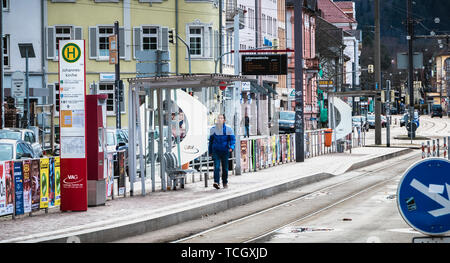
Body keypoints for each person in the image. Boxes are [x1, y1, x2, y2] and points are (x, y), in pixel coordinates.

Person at [208, 114, 235, 189]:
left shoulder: (228, 129)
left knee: (225, 168)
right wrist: (210, 151)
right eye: (218, 118)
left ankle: (225, 182)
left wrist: (231, 147)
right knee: (216, 167)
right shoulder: (213, 129)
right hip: (216, 151)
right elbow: (211, 141)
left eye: (221, 118)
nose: (219, 119)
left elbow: (232, 140)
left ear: (224, 120)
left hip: (225, 151)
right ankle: (216, 182)